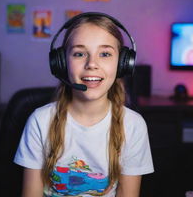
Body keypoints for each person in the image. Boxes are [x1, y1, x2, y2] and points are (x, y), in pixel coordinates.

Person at [14, 12, 154, 197]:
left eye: (105, 54)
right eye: (79, 53)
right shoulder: (40, 121)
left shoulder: (133, 126)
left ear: (122, 64)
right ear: (62, 63)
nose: (92, 64)